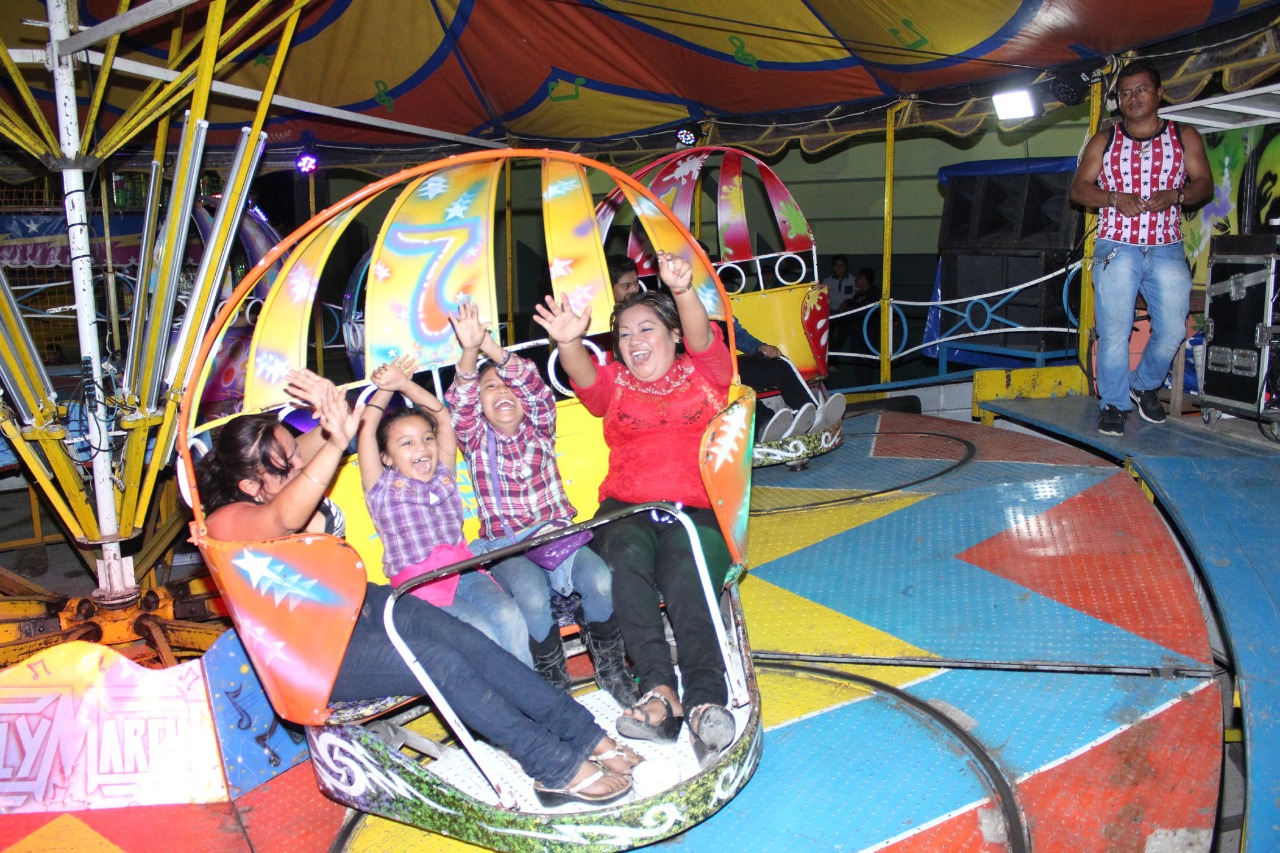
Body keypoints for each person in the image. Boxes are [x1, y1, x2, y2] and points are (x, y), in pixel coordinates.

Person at [194, 369, 639, 804]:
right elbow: (284, 517)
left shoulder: (278, 469)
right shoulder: (226, 521)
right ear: (249, 485)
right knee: (440, 662)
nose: (299, 462)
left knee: (473, 643)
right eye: (287, 464)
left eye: (295, 452)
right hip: (317, 653)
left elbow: (337, 432)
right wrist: (332, 443)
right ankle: (552, 766)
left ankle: (586, 735)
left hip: (360, 602)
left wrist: (336, 412)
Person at [535, 251, 737, 756]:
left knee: (687, 572)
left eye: (646, 329)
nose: (633, 341)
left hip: (697, 509)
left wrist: (682, 290)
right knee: (623, 561)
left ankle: (706, 698)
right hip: (626, 508)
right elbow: (585, 377)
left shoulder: (706, 372)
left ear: (673, 335)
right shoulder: (616, 384)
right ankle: (661, 691)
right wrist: (568, 342)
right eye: (624, 334)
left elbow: (703, 336)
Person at [445, 299, 639, 706]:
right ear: (480, 403)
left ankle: (612, 668)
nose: (503, 390)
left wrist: (491, 346)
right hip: (508, 545)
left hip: (557, 535)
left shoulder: (540, 425)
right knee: (531, 596)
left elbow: (531, 384)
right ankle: (553, 685)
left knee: (600, 579)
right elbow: (459, 404)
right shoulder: (475, 439)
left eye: (509, 386)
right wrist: (470, 351)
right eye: (491, 387)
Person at [356, 356, 533, 667]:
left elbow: (440, 414)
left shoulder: (444, 473)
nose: (421, 447)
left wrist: (405, 384)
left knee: (509, 616)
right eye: (406, 443)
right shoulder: (381, 489)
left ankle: (531, 690)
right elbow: (367, 427)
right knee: (478, 632)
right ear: (386, 457)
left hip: (464, 572)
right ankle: (495, 697)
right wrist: (387, 388)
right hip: (419, 586)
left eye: (427, 439)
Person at [1069, 59, 1212, 436]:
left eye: (1141, 90)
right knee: (1114, 331)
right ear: (1119, 99)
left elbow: (1204, 183)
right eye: (1126, 93)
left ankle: (1143, 384)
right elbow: (1079, 189)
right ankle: (1113, 403)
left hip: (1166, 247)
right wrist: (1114, 198)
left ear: (1159, 93)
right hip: (1117, 246)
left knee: (1173, 330)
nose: (1133, 98)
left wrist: (1176, 195)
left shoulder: (1184, 135)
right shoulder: (1105, 139)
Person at [607, 254, 843, 443]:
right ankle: (766, 425)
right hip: (694, 374)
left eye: (635, 284)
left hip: (725, 364)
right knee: (731, 386)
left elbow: (735, 332)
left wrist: (760, 346)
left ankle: (813, 414)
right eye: (627, 285)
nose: (634, 290)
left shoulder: (712, 297)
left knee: (777, 364)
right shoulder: (662, 306)